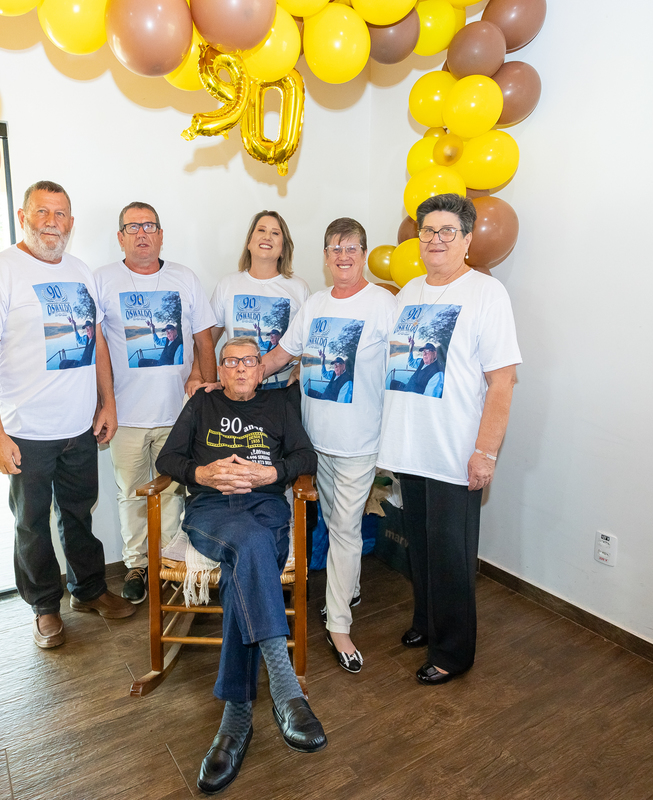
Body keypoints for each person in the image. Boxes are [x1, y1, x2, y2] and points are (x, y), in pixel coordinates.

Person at [0, 180, 134, 650]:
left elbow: (96, 343)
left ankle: (89, 590)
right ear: (23, 217)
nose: (51, 222)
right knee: (31, 523)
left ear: (71, 223)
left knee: (79, 514)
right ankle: (44, 607)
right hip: (25, 431)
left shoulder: (80, 271)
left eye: (60, 214)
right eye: (42, 212)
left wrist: (108, 402)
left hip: (79, 425)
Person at [157, 337, 325, 794]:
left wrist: (272, 474)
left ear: (260, 369)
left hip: (265, 508)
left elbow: (305, 457)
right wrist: (202, 474)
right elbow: (167, 458)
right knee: (250, 547)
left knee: (242, 570)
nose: (241, 368)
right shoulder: (202, 404)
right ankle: (286, 692)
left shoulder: (280, 405)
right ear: (221, 370)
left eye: (249, 361)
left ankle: (236, 720)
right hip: (212, 511)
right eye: (231, 361)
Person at [376, 193, 521, 685]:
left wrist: (485, 452)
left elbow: (503, 381)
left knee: (450, 555)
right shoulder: (409, 292)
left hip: (455, 451)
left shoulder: (486, 294)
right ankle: (427, 621)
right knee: (420, 546)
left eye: (447, 232)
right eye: (428, 231)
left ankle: (454, 650)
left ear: (466, 240)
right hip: (410, 445)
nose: (435, 239)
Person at [258, 218, 396, 674]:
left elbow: (399, 373)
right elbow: (283, 353)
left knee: (345, 529)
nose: (343, 255)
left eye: (351, 247)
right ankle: (347, 587)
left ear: (363, 254)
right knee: (337, 524)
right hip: (315, 444)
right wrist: (245, 373)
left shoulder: (382, 303)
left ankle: (338, 625)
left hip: (359, 443)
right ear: (324, 256)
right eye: (335, 248)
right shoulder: (315, 304)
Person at [94, 202, 217, 604]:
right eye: (133, 227)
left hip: (177, 414)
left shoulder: (184, 277)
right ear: (121, 237)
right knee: (130, 492)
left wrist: (206, 391)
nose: (142, 234)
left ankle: (168, 561)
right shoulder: (103, 280)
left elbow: (204, 340)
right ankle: (137, 565)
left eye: (150, 226)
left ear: (161, 235)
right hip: (125, 415)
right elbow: (98, 347)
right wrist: (105, 403)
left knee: (173, 492)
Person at [210, 211, 309, 390]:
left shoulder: (299, 288)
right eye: (261, 230)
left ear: (283, 248)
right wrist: (208, 383)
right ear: (249, 242)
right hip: (237, 388)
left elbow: (309, 343)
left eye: (275, 233)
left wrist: (301, 367)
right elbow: (207, 342)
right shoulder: (227, 284)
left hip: (282, 388)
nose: (267, 237)